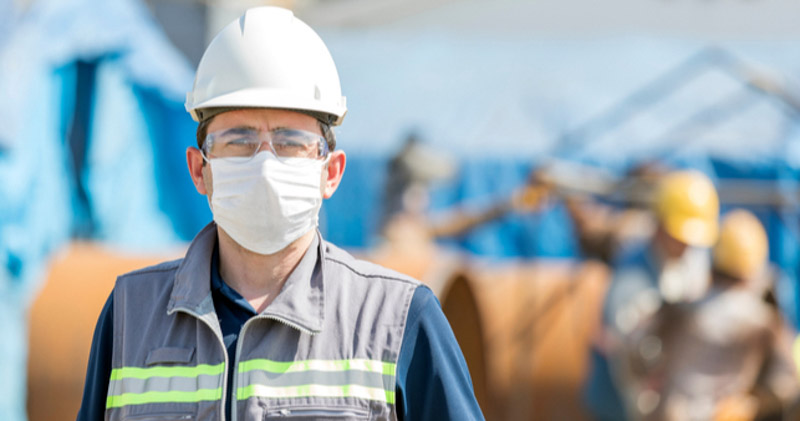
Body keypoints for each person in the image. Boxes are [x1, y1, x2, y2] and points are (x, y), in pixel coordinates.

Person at [76, 7, 484, 421]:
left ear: (331, 172)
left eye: (290, 141)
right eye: (239, 140)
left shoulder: (397, 320)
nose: (265, 165)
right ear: (200, 169)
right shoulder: (130, 317)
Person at [619, 209, 800, 420]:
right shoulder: (765, 323)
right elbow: (786, 384)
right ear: (755, 271)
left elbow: (633, 349)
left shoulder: (677, 310)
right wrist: (751, 404)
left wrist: (648, 391)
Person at [583, 169, 719, 421]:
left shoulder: (692, 259)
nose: (687, 245)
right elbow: (628, 362)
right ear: (660, 225)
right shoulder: (631, 279)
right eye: (680, 237)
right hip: (620, 404)